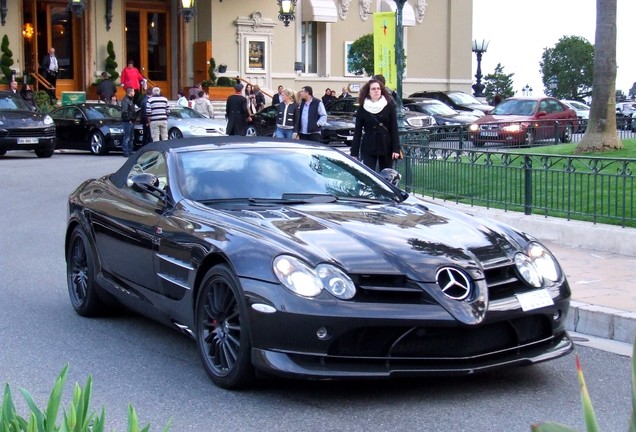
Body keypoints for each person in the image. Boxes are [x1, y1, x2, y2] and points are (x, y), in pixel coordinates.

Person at [350, 79, 401, 172]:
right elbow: (357, 131)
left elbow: (394, 128)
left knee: (387, 175)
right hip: (369, 145)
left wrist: (396, 149)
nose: (376, 90)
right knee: (368, 175)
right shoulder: (362, 108)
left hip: (386, 145)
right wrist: (354, 153)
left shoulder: (389, 106)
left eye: (378, 88)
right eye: (373, 89)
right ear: (368, 92)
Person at [120, 87, 136, 157]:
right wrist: (128, 119)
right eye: (133, 92)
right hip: (127, 121)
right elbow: (124, 111)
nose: (134, 93)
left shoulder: (130, 100)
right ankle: (126, 151)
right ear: (130, 92)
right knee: (127, 137)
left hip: (131, 120)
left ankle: (130, 150)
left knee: (131, 137)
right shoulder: (125, 100)